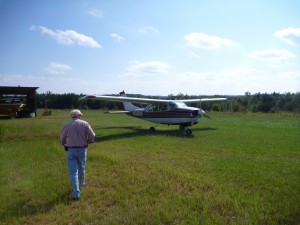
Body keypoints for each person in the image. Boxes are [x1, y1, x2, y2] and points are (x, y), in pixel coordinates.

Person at [60, 109, 95, 200]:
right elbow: (92, 136)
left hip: (71, 150)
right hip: (82, 149)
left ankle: (76, 193)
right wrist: (88, 141)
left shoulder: (67, 125)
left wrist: (65, 143)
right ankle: (82, 186)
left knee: (73, 172)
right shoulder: (85, 123)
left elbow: (62, 138)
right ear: (79, 115)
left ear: (71, 116)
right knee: (81, 168)